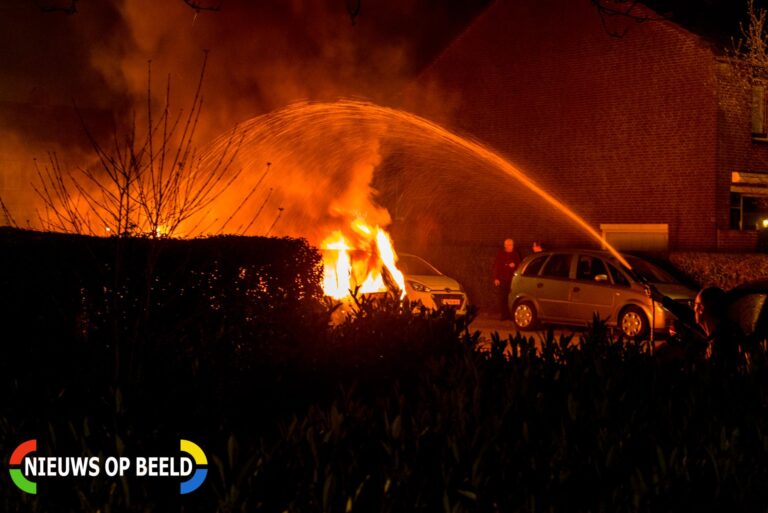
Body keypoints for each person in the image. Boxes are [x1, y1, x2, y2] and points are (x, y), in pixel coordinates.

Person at [649, 285, 743, 370]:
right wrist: (661, 298)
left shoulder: (720, 345)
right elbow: (687, 316)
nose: (693, 309)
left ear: (701, 309)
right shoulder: (718, 330)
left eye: (695, 305)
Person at [493, 238, 522, 320]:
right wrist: (496, 278)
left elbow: (519, 266)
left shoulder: (515, 254)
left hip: (512, 280)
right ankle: (503, 315)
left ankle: (510, 315)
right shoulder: (500, 254)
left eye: (512, 245)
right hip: (502, 279)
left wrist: (515, 265)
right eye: (509, 245)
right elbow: (496, 266)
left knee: (511, 297)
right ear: (505, 246)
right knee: (503, 298)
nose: (511, 246)